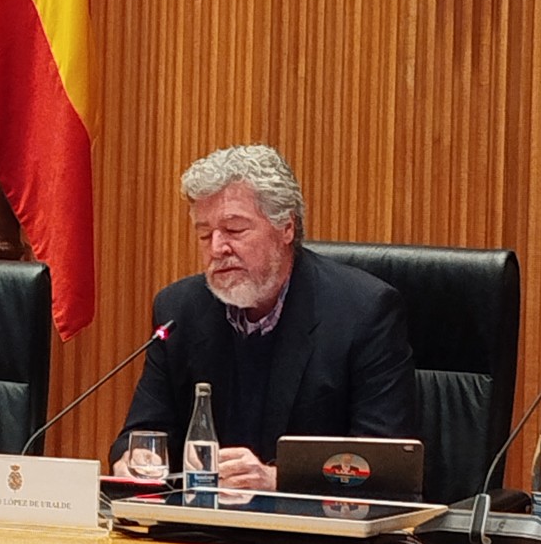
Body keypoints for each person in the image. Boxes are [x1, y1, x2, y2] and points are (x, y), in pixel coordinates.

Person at [111, 145, 415, 489]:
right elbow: (142, 432)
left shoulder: (363, 311)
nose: (217, 248)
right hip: (204, 518)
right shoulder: (180, 310)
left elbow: (386, 466)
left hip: (310, 521)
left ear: (286, 227)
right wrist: (136, 459)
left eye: (234, 230)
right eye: (205, 234)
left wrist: (276, 480)